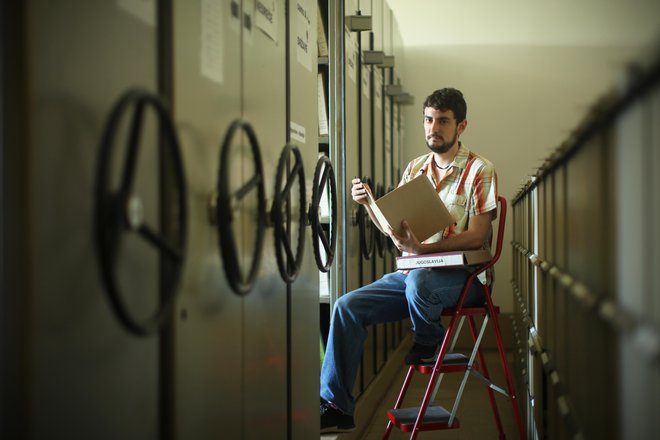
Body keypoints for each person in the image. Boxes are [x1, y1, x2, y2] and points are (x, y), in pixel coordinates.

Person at [319, 87, 498, 433]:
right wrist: (370, 205)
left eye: (443, 121)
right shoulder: (416, 167)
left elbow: (478, 236)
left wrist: (423, 251)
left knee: (420, 282)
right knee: (345, 307)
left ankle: (428, 338)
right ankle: (336, 404)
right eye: (428, 120)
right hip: (416, 273)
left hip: (464, 279)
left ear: (461, 126)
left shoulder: (479, 169)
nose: (434, 128)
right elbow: (395, 231)